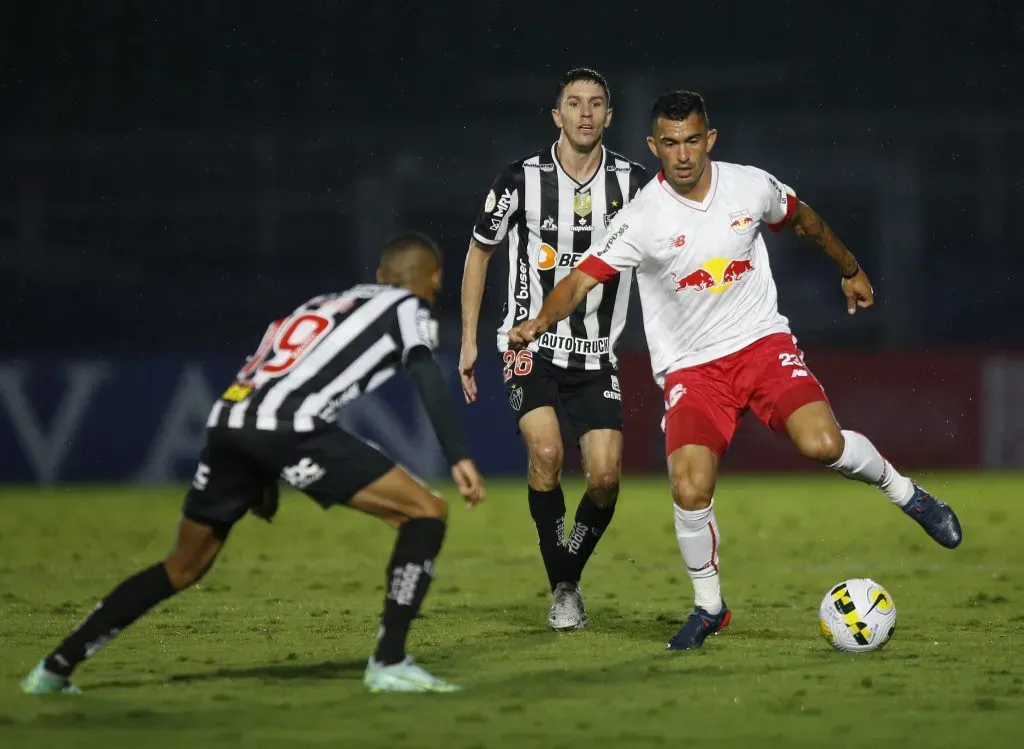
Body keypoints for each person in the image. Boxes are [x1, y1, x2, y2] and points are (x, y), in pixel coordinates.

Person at [508, 90, 962, 651]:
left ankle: (909, 495)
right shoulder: (642, 219)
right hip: (692, 371)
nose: (682, 155)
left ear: (710, 139)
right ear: (653, 146)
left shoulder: (749, 185)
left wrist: (850, 268)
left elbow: (804, 220)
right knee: (689, 486)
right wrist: (537, 321)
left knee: (822, 444)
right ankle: (709, 607)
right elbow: (579, 280)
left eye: (692, 140)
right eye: (669, 144)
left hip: (761, 346)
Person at [22, 232, 485, 695]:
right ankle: (389, 663)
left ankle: (54, 668)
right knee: (426, 511)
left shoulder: (318, 305)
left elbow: (266, 374)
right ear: (435, 278)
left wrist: (260, 476)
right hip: (289, 425)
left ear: (381, 274)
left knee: (181, 566)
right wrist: (458, 453)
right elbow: (423, 367)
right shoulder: (408, 307)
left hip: (228, 418)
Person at [459, 67, 647, 630]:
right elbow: (479, 252)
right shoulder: (519, 179)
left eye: (595, 104)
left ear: (609, 117)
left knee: (606, 479)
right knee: (545, 454)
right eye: (574, 103)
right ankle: (564, 588)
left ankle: (566, 570)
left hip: (596, 353)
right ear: (556, 116)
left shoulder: (638, 186)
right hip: (528, 342)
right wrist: (469, 339)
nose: (585, 113)